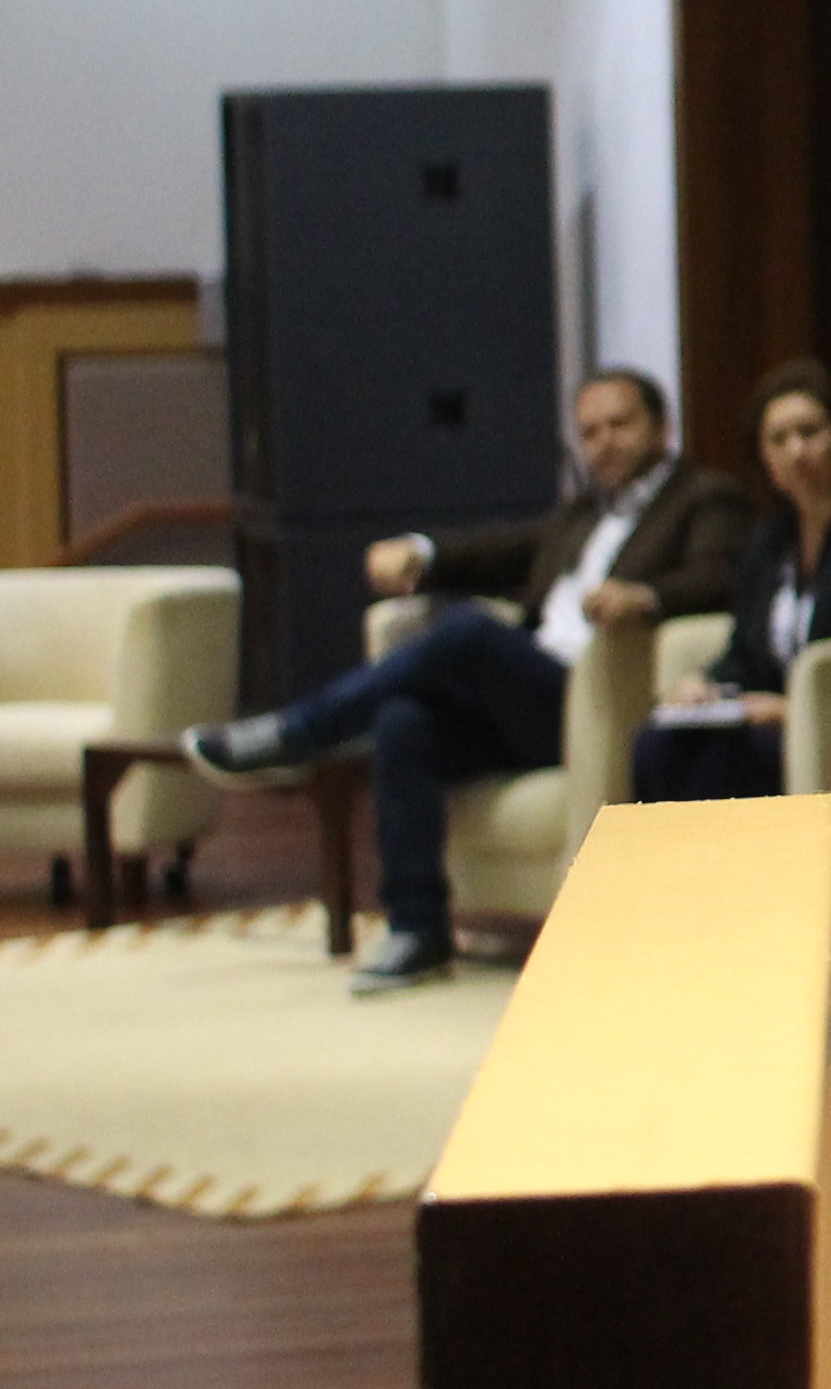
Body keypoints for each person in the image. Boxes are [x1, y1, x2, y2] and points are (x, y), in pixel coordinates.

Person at [181, 366, 759, 992]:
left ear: (662, 427)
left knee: (470, 634)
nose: (605, 443)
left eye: (620, 424)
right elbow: (501, 548)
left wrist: (646, 595)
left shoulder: (704, 498)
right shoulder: (583, 512)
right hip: (532, 699)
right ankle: (417, 930)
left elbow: (721, 573)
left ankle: (298, 734)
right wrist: (422, 553)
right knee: (404, 723)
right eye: (590, 432)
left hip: (594, 699)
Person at [628, 358, 831, 804]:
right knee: (654, 747)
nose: (797, 451)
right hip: (768, 723)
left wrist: (790, 709)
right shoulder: (769, 542)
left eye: (810, 432)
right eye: (778, 440)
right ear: (765, 459)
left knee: (722, 762)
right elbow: (745, 656)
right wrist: (703, 686)